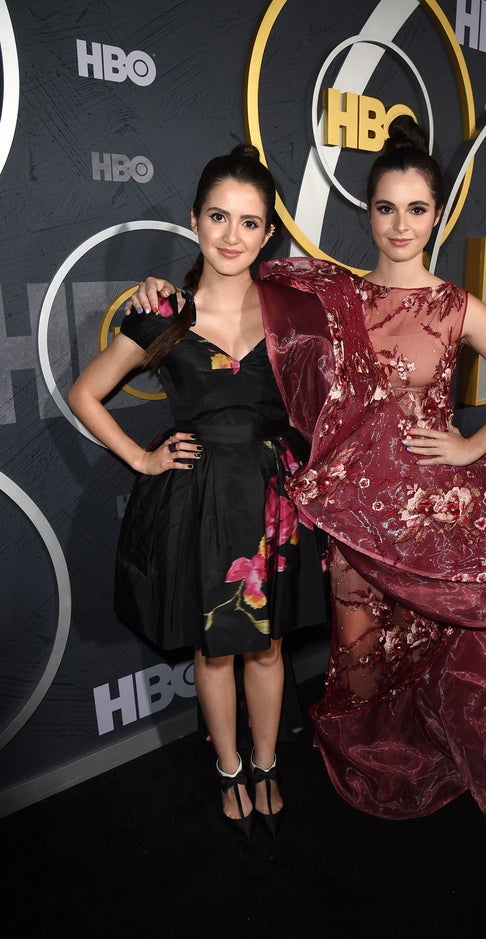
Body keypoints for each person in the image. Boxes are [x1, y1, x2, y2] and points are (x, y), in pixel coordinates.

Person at [129, 115, 486, 823]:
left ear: (437, 214)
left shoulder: (455, 306)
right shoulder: (330, 297)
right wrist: (157, 294)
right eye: (386, 208)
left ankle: (441, 747)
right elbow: (237, 280)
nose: (400, 225)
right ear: (368, 212)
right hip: (353, 517)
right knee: (362, 657)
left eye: (416, 209)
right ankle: (376, 760)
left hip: (434, 514)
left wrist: (469, 447)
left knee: (447, 646)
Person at [67, 144, 327, 840]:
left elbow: (326, 405)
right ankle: (228, 767)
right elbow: (85, 393)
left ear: (268, 232)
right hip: (200, 501)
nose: (232, 236)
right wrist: (143, 459)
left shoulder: (292, 313)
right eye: (219, 217)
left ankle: (267, 762)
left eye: (249, 222)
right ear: (195, 219)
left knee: (267, 647)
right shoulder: (165, 314)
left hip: (273, 502)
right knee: (214, 651)